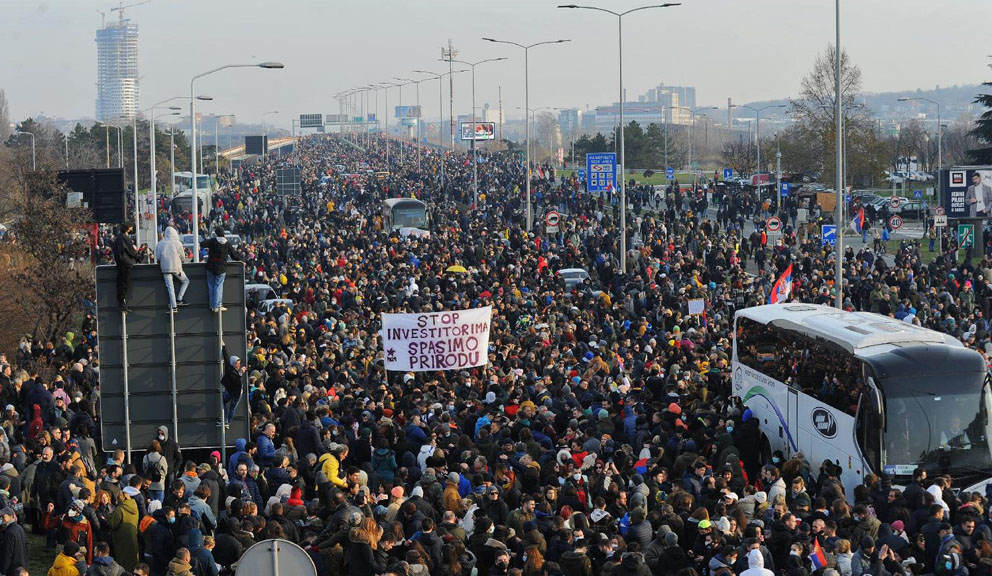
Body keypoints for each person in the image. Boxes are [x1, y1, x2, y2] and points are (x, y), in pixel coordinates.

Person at [200, 227, 241, 313]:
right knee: (218, 286)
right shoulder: (227, 243)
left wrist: (209, 239)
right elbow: (234, 256)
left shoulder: (213, 241)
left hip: (210, 266)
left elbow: (202, 244)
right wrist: (240, 259)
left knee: (211, 286)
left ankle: (212, 305)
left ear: (216, 233)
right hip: (221, 267)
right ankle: (218, 305)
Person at [154, 226, 190, 312]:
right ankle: (179, 299)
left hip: (165, 268)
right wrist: (181, 261)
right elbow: (182, 256)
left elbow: (158, 257)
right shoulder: (177, 243)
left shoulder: (160, 244)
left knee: (170, 287)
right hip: (176, 267)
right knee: (186, 281)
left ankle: (174, 306)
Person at [112, 223, 139, 313]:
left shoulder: (118, 238)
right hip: (126, 263)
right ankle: (122, 304)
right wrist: (137, 257)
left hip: (119, 263)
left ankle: (121, 302)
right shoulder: (125, 238)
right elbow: (130, 250)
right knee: (124, 283)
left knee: (120, 282)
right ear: (128, 228)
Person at [0, 506, 28, 576]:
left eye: (3, 517)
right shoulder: (20, 528)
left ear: (11, 516)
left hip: (12, 569)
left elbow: (7, 554)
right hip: (22, 566)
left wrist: (3, 572)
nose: (1, 519)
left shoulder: (9, 532)